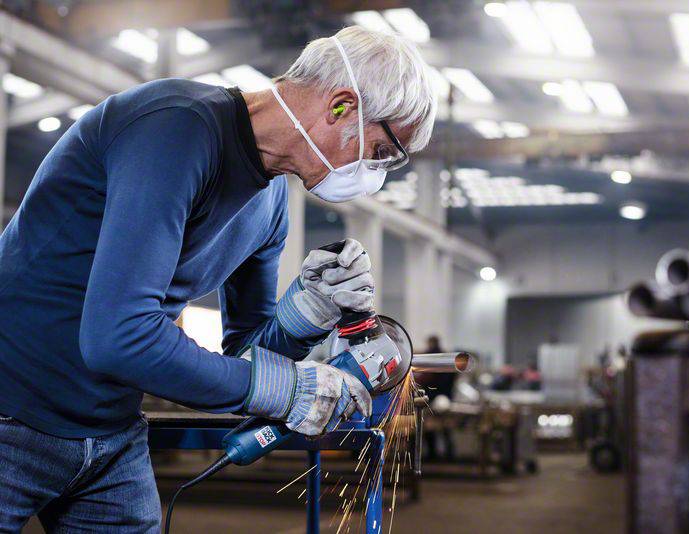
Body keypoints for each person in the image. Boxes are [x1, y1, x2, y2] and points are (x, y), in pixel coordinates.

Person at [0, 26, 436, 531]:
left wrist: (306, 313)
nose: (374, 172)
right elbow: (118, 338)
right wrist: (288, 389)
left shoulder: (271, 203)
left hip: (109, 432)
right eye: (382, 151)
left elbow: (243, 357)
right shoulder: (173, 130)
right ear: (341, 106)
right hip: (11, 413)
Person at [415, 335, 456, 460]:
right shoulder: (445, 357)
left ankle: (432, 455)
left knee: (429, 427)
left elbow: (425, 378)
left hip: (432, 398)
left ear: (430, 343)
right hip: (445, 398)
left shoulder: (429, 357)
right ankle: (449, 455)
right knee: (445, 429)